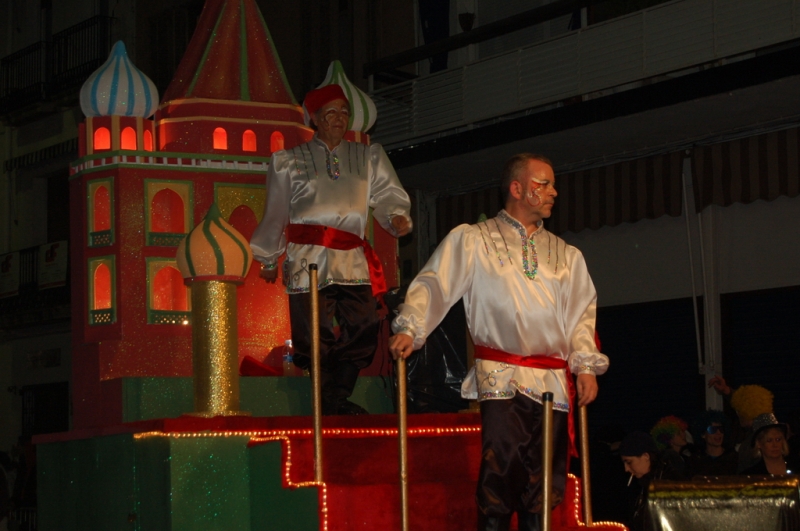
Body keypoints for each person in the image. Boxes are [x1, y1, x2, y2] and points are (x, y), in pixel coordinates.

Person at [389, 154, 608, 531]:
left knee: (544, 480)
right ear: (517, 188)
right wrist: (411, 325)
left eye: (553, 184)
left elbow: (580, 316)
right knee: (501, 469)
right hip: (501, 376)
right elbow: (434, 283)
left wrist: (585, 366)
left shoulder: (567, 255)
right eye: (544, 184)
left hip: (552, 381)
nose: (554, 191)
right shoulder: (473, 239)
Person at [250, 84, 412, 415]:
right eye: (330, 113)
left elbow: (387, 195)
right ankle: (332, 402)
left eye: (343, 112)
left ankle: (335, 397)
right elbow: (276, 210)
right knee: (313, 333)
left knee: (365, 325)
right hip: (307, 258)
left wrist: (396, 217)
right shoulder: (288, 161)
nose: (339, 119)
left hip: (352, 256)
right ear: (315, 119)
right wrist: (268, 256)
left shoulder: (367, 156)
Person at [708, 376, 775, 472]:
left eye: (738, 410)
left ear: (745, 412)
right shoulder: (766, 429)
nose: (737, 414)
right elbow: (749, 400)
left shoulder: (757, 439)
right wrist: (727, 391)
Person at [619, 431, 680, 531]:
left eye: (629, 462)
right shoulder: (640, 484)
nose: (626, 469)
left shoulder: (668, 483)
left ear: (646, 457)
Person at [688, 410, 737, 476]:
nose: (718, 433)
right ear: (703, 434)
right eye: (712, 430)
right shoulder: (695, 461)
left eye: (721, 429)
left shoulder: (733, 459)